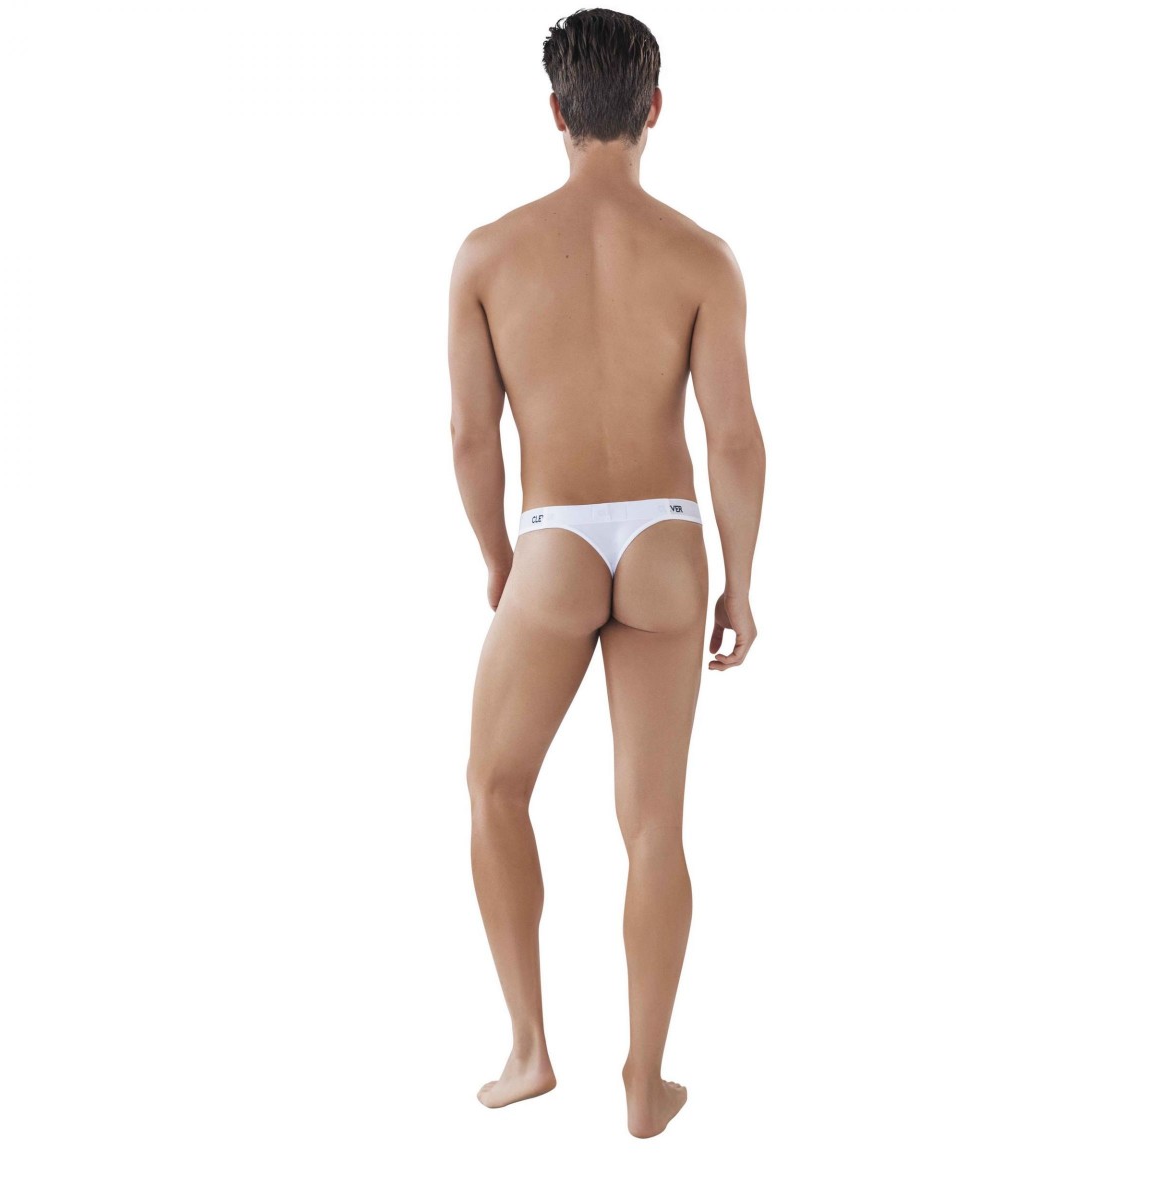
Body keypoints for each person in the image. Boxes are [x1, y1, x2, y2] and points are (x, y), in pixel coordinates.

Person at [448, 7, 765, 1139]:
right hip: (670, 541)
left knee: (495, 788)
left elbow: (472, 438)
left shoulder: (489, 254)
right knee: (653, 827)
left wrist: (501, 557)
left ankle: (531, 1050)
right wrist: (740, 584)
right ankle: (645, 1080)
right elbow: (734, 439)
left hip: (557, 539)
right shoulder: (701, 256)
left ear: (555, 112)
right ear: (654, 108)